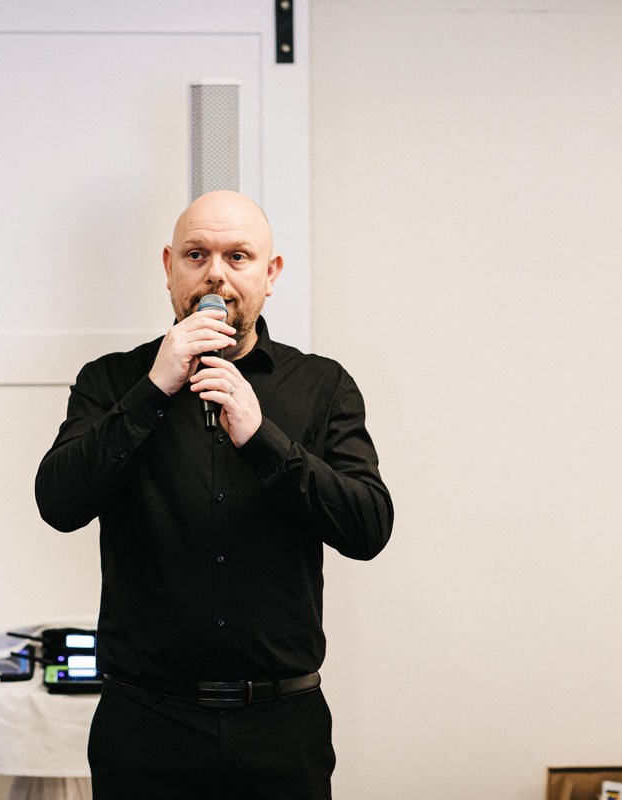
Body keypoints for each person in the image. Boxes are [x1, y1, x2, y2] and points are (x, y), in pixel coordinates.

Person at [34, 190, 393, 799]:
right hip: (145, 727)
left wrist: (262, 439)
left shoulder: (322, 385)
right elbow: (59, 504)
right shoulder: (112, 381)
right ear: (170, 267)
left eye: (239, 257)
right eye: (197, 255)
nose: (216, 275)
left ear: (270, 274)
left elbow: (368, 529)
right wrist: (153, 390)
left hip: (281, 727)